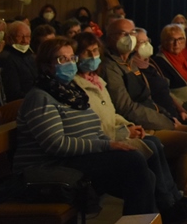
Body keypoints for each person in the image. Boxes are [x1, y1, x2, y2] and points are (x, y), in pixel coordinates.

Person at [15, 36, 158, 216]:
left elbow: (95, 129)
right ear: (46, 65)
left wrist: (111, 144)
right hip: (50, 166)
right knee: (133, 161)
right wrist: (107, 145)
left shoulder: (72, 93)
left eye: (72, 58)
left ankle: (146, 217)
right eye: (62, 59)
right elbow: (56, 145)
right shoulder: (40, 97)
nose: (70, 63)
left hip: (78, 159)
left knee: (144, 172)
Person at [71, 32, 187, 222]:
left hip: (124, 129)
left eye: (95, 51)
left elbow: (112, 113)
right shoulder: (83, 84)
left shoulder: (99, 80)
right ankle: (168, 205)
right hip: (104, 142)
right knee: (150, 150)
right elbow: (114, 113)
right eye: (87, 52)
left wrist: (129, 126)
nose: (93, 56)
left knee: (156, 143)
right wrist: (127, 131)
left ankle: (176, 200)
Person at [103, 18, 187, 201]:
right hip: (138, 126)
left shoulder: (131, 63)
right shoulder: (110, 66)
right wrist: (166, 122)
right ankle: (185, 198)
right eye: (123, 34)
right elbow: (127, 108)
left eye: (132, 33)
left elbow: (148, 97)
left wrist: (168, 116)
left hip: (153, 117)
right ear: (110, 37)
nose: (130, 38)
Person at [0, 19, 37, 102]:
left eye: (27, 36)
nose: (25, 41)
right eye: (20, 36)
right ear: (9, 38)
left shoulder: (30, 55)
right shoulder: (6, 58)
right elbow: (13, 92)